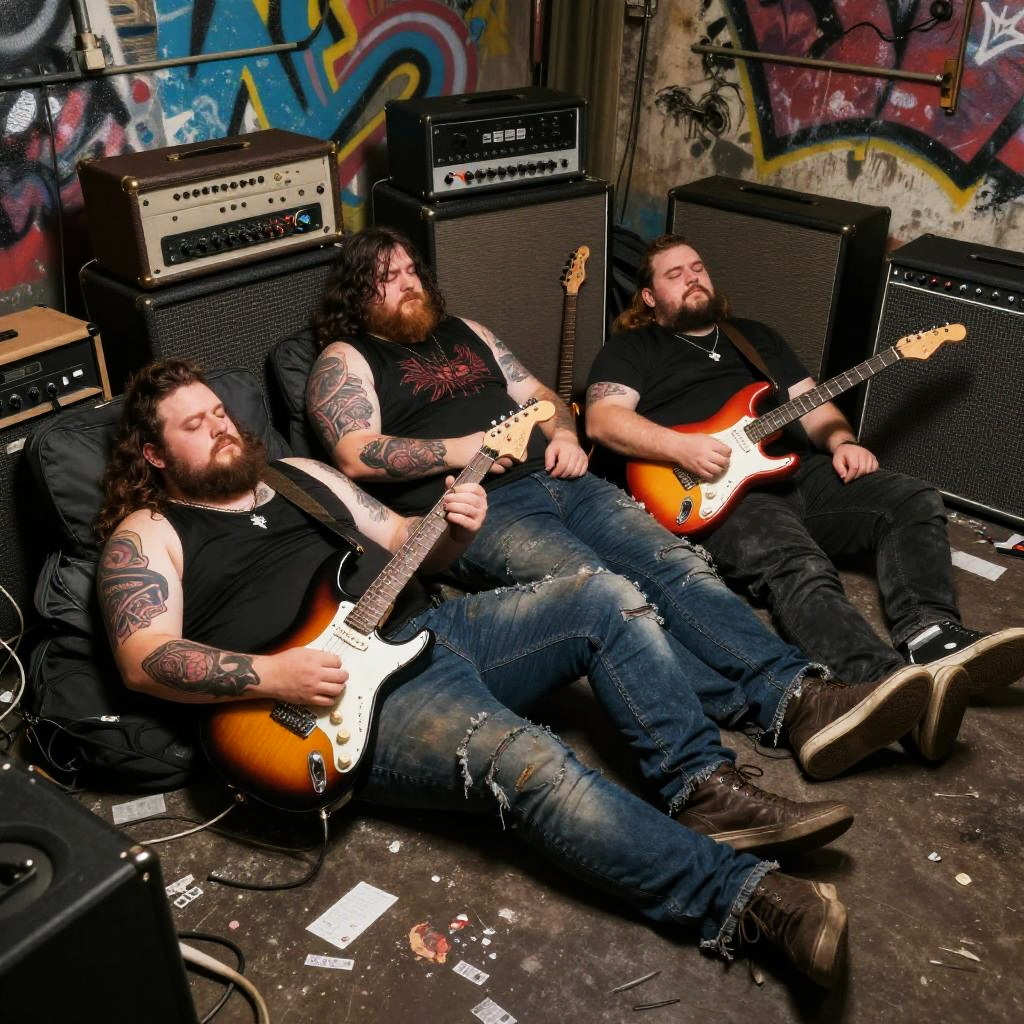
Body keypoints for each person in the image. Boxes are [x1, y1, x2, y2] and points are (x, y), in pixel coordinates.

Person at [95, 360, 856, 986]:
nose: (220, 427)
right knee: (529, 762)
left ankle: (703, 788)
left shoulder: (300, 475)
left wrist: (456, 534)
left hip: (427, 629)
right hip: (328, 704)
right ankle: (745, 900)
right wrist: (273, 675)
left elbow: (405, 539)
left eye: (219, 413)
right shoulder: (148, 532)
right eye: (194, 425)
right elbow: (142, 658)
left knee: (605, 596)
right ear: (155, 455)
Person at [304, 226, 937, 779]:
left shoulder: (466, 331)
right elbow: (354, 453)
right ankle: (779, 708)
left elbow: (541, 396)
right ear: (359, 293)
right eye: (389, 277)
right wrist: (464, 448)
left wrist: (564, 435)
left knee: (677, 567)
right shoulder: (345, 359)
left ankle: (807, 691)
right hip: (478, 508)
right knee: (611, 595)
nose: (409, 283)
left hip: (566, 479)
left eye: (411, 270)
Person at [585, 232, 1024, 762]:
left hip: (794, 470)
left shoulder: (754, 337)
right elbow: (603, 420)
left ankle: (931, 633)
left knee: (913, 499)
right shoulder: (634, 348)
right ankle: (887, 685)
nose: (692, 278)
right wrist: (681, 448)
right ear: (649, 296)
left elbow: (812, 405)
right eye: (674, 274)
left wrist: (842, 442)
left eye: (697, 267)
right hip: (715, 493)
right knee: (798, 563)